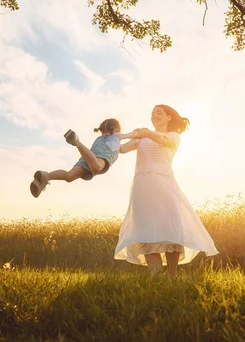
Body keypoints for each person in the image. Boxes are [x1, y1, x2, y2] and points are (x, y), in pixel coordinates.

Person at [114, 104, 218, 279]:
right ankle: (155, 273)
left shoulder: (173, 136)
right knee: (145, 227)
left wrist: (146, 133)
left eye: (159, 112)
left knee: (170, 227)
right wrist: (116, 135)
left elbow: (164, 141)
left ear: (169, 117)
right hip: (142, 185)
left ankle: (172, 275)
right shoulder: (141, 139)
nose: (154, 115)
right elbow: (122, 149)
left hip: (163, 183)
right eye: (152, 113)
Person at [30, 118, 137, 198]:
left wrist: (135, 145)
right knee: (97, 167)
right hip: (99, 156)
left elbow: (123, 149)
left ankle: (46, 176)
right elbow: (123, 137)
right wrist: (134, 134)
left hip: (88, 156)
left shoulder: (105, 140)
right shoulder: (115, 136)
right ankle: (77, 142)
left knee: (69, 176)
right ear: (116, 129)